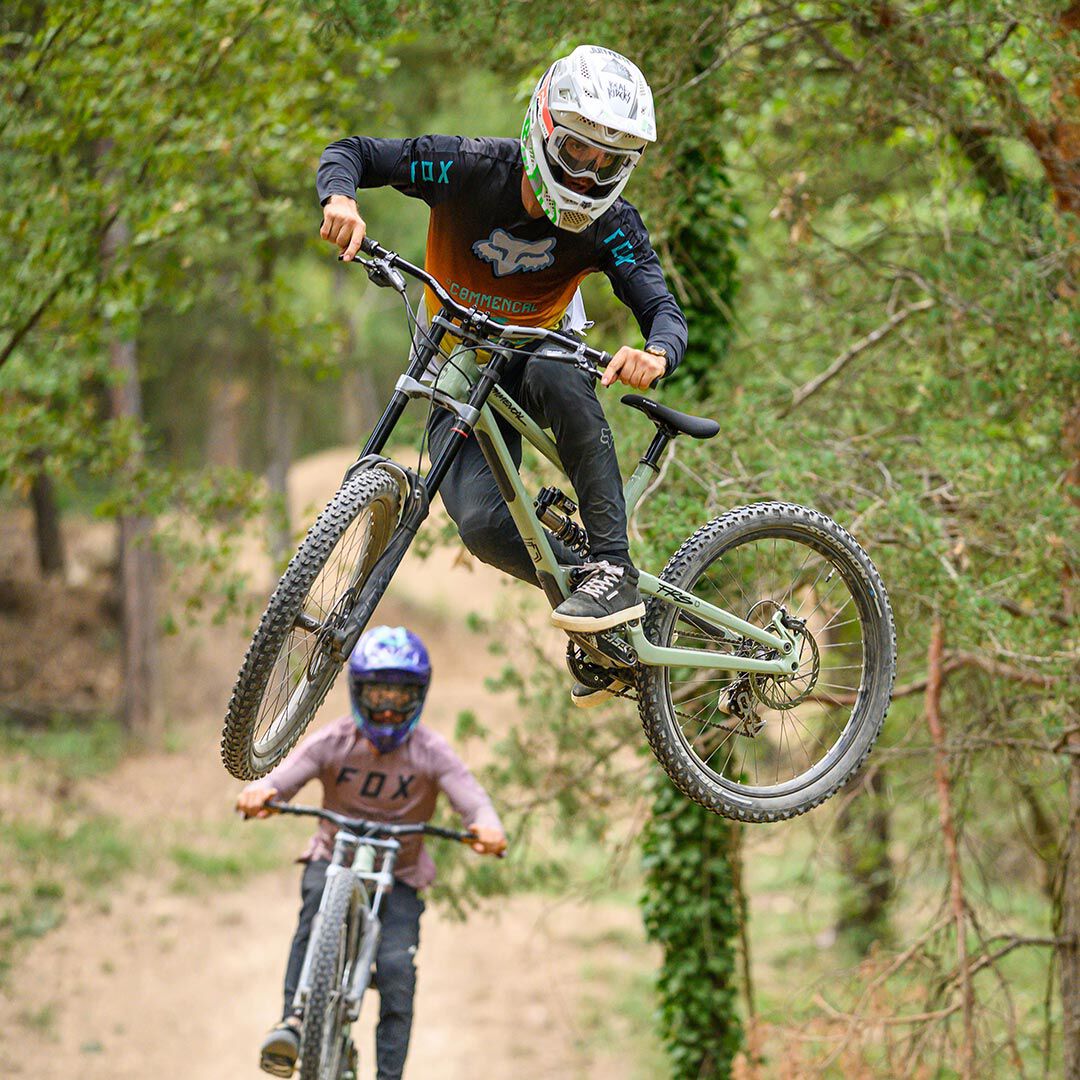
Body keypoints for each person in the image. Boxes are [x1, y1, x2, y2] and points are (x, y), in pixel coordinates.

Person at [317, 44, 688, 706]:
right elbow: (354, 152)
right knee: (484, 529)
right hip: (459, 355)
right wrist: (339, 199)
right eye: (578, 150)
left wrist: (654, 354)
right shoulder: (463, 166)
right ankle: (607, 622)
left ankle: (613, 569)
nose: (588, 173)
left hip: (540, 350)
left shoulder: (611, 223)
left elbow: (659, 305)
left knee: (558, 368)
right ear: (544, 127)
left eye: (608, 161)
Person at [237, 625, 507, 1080]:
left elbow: (473, 800)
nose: (385, 706)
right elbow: (284, 776)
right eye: (377, 692)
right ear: (358, 692)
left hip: (399, 874)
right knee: (313, 913)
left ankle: (388, 1075)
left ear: (418, 697)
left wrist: (487, 826)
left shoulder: (431, 751)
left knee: (398, 969)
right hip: (333, 855)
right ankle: (294, 1024)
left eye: (399, 696)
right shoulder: (334, 740)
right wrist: (261, 791)